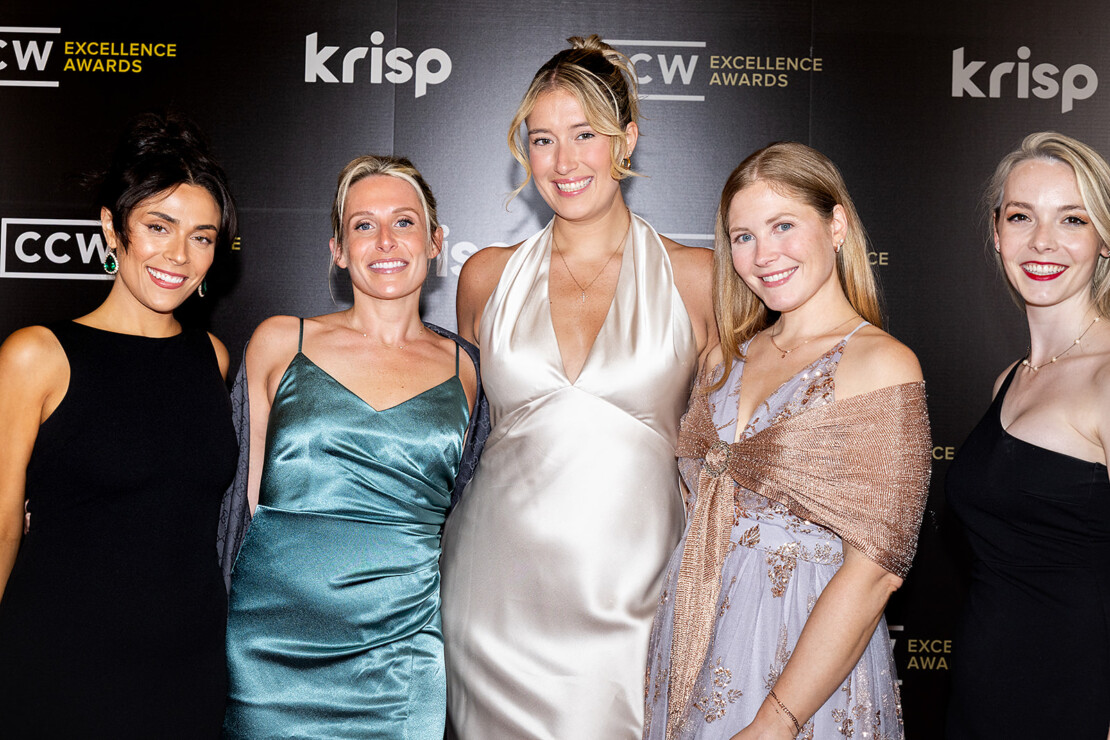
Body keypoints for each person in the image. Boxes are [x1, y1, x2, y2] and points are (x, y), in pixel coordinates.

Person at [441, 34, 716, 740]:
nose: (562, 163)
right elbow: (459, 439)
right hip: (494, 603)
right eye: (542, 140)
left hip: (637, 603)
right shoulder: (487, 278)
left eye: (584, 135)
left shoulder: (698, 279)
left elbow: (722, 453)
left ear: (627, 138)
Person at [642, 142, 932, 740]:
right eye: (742, 236)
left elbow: (877, 570)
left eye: (782, 226)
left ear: (837, 224)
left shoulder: (882, 364)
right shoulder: (724, 356)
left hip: (802, 662)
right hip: (694, 637)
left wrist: (776, 721)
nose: (762, 254)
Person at [222, 155, 482, 739]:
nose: (385, 241)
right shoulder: (279, 341)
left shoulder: (468, 368)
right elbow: (237, 499)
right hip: (271, 649)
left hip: (401, 655)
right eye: (364, 225)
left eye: (405, 222)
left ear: (437, 240)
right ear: (338, 249)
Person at [0, 112, 238, 736]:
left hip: (188, 669)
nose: (178, 256)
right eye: (158, 227)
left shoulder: (211, 357)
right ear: (112, 226)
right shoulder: (37, 355)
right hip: (60, 666)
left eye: (202, 236)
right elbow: (0, 527)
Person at [946, 132, 1110, 739]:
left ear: (1104, 239)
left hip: (1077, 707)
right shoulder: (1009, 382)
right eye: (1022, 216)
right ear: (997, 233)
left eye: (1072, 219)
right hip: (986, 699)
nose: (1043, 241)